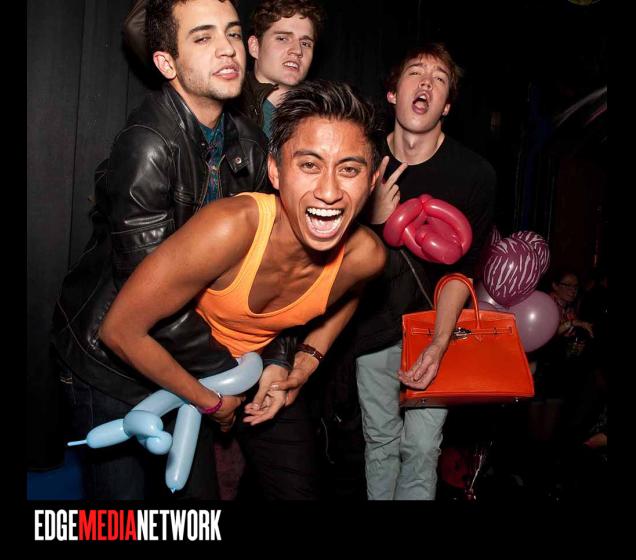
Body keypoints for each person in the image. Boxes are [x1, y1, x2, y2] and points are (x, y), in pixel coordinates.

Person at [51, 0, 294, 500]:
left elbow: (270, 267)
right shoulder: (146, 145)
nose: (227, 49)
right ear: (167, 63)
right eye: (203, 38)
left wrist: (277, 356)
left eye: (232, 33)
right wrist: (223, 378)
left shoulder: (249, 143)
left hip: (191, 355)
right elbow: (149, 300)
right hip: (111, 363)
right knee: (119, 517)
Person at [98, 79, 387, 500]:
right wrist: (210, 402)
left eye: (349, 169)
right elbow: (120, 330)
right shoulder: (230, 228)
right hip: (177, 367)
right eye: (309, 165)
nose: (329, 191)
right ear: (275, 170)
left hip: (260, 370)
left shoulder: (366, 257)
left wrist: (305, 361)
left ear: (373, 180)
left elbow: (352, 293)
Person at [347, 43, 496, 500]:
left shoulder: (474, 174)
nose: (426, 83)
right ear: (393, 92)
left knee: (421, 447)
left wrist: (439, 342)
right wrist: (373, 218)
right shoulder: (361, 160)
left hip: (434, 325)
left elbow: (463, 273)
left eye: (439, 78)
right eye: (416, 72)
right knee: (380, 443)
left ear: (446, 105)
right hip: (372, 325)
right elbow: (329, 255)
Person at [124, 0, 325, 136]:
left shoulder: (320, 114)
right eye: (282, 38)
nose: (297, 51)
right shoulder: (224, 96)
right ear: (254, 46)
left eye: (306, 43)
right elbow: (141, 28)